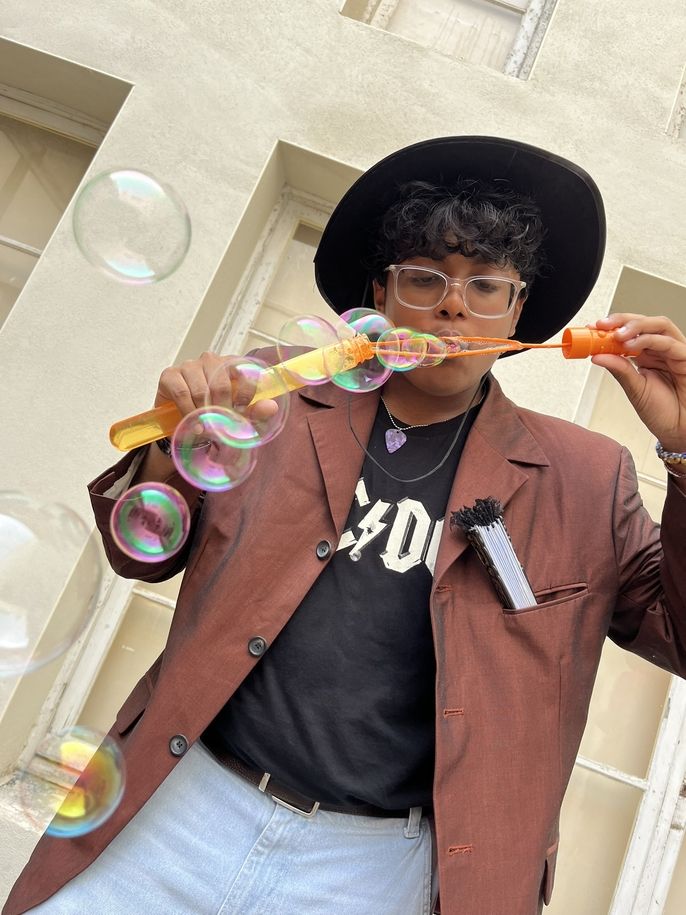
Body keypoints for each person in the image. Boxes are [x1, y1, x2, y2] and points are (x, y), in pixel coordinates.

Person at [5, 136, 686, 915]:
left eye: (486, 285)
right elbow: (144, 550)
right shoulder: (276, 397)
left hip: (375, 869)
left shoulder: (586, 478)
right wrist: (177, 438)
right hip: (179, 802)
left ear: (519, 308)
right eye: (425, 278)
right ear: (381, 296)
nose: (454, 305)